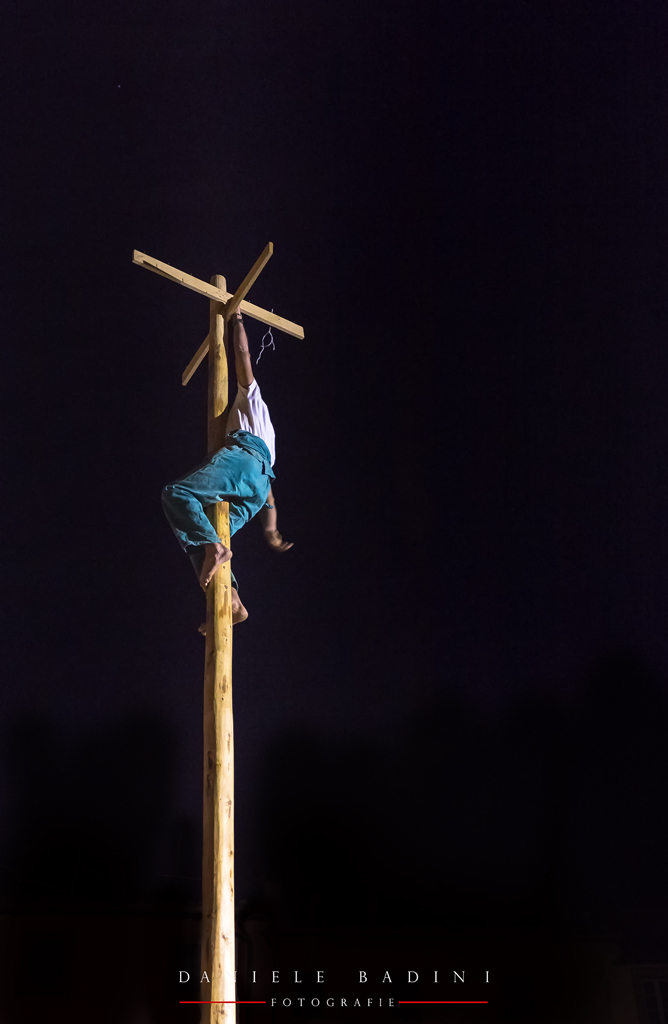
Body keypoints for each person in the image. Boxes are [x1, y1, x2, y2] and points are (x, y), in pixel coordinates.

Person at [161, 309, 293, 625]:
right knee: (203, 528)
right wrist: (271, 531)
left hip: (242, 460)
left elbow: (244, 354)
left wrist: (237, 320)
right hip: (259, 487)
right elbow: (269, 494)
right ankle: (230, 600)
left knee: (177, 494)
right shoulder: (270, 437)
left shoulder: (252, 396)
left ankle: (215, 552)